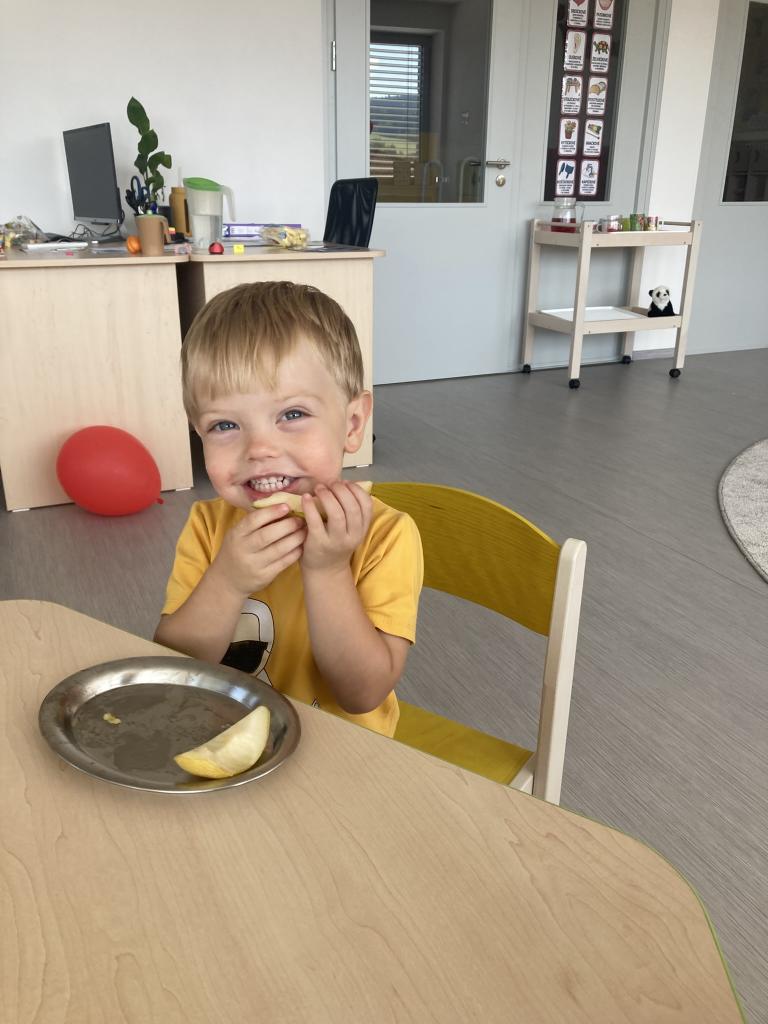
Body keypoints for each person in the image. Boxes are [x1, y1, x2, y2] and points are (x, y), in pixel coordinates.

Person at [154, 281, 423, 737]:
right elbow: (173, 668)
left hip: (342, 753)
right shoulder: (207, 526)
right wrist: (227, 580)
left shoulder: (385, 535)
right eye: (224, 425)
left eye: (292, 415)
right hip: (227, 737)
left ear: (352, 423)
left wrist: (328, 570)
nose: (259, 449)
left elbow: (363, 693)